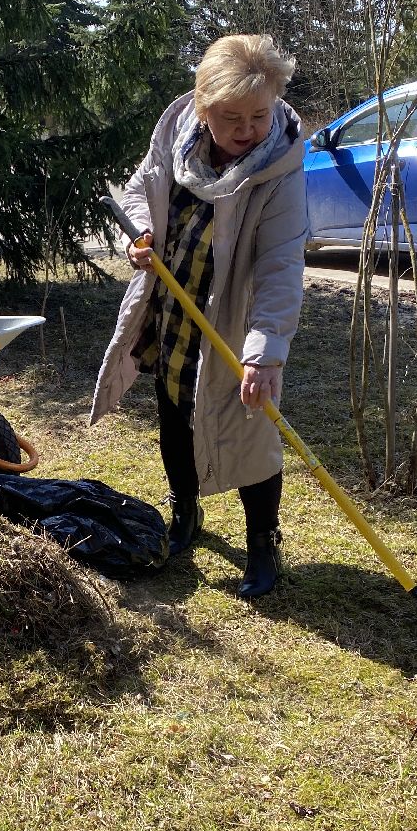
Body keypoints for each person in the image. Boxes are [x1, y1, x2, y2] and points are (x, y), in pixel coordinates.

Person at [90, 34, 309, 598]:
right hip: (172, 308)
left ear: (276, 102)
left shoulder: (280, 171)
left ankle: (263, 542)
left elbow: (280, 266)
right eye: (231, 117)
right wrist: (139, 231)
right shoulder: (176, 132)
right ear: (203, 108)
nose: (247, 131)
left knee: (252, 432)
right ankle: (183, 508)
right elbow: (143, 188)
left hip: (233, 323)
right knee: (172, 415)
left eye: (258, 115)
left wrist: (265, 351)